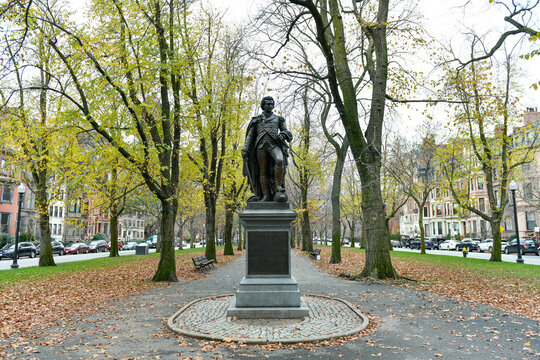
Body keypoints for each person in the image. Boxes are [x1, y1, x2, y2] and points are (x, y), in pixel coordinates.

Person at [241, 96, 292, 202]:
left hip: (274, 145)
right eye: (267, 104)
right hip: (261, 147)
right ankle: (265, 195)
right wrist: (245, 148)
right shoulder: (257, 119)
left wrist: (282, 135)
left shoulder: (278, 119)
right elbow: (250, 136)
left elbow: (286, 131)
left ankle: (277, 186)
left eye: (271, 104)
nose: (269, 105)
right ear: (263, 105)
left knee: (280, 160)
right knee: (262, 171)